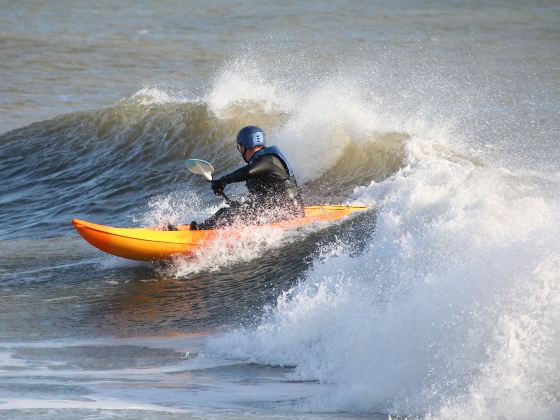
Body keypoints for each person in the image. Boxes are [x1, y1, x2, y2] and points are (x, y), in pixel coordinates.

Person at [191, 126, 304, 230]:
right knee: (232, 210)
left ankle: (199, 231)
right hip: (280, 210)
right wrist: (240, 205)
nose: (240, 150)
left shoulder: (269, 160)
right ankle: (203, 228)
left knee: (225, 213)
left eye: (239, 147)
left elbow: (249, 171)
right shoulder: (261, 161)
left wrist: (223, 180)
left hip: (290, 213)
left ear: (245, 146)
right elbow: (262, 196)